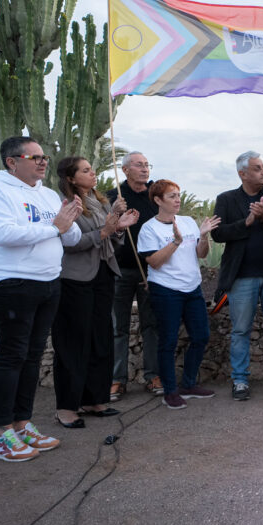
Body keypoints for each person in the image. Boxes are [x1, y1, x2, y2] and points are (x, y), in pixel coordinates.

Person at [0, 136, 82, 461]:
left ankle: (22, 425)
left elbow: (70, 237)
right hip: (12, 284)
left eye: (44, 156)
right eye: (34, 156)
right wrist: (56, 227)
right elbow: (2, 234)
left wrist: (70, 222)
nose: (42, 161)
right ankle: (0, 435)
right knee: (11, 356)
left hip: (48, 284)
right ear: (12, 162)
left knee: (33, 357)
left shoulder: (48, 195)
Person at [50, 157, 139, 428]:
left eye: (93, 169)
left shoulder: (100, 202)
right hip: (75, 278)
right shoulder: (65, 205)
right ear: (71, 178)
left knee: (101, 337)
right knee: (73, 342)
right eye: (86, 171)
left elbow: (111, 238)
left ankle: (94, 399)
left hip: (103, 274)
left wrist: (118, 228)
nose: (93, 174)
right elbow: (70, 243)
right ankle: (67, 407)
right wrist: (105, 231)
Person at [137, 179, 221, 409]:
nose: (178, 199)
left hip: (192, 288)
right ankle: (170, 391)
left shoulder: (188, 222)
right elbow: (154, 262)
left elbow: (201, 254)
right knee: (168, 341)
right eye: (172, 196)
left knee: (201, 336)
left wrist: (203, 236)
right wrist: (175, 241)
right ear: (157, 200)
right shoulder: (149, 228)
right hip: (165, 291)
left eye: (178, 194)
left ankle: (189, 384)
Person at [212, 151, 263, 401]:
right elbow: (218, 234)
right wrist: (247, 221)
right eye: (257, 168)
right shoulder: (226, 199)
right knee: (241, 330)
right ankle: (240, 380)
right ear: (242, 173)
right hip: (242, 276)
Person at [107, 152, 161, 401]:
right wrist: (114, 213)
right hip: (120, 270)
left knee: (151, 325)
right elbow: (104, 230)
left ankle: (152, 376)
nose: (145, 169)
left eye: (147, 165)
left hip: (152, 270)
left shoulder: (156, 195)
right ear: (125, 169)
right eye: (139, 165)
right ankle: (117, 379)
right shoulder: (113, 197)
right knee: (119, 327)